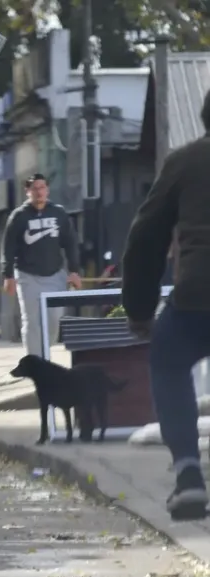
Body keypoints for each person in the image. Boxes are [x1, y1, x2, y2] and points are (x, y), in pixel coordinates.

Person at [120, 89, 210, 521]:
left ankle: (189, 475)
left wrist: (139, 309)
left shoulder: (185, 161)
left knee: (169, 360)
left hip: (197, 299)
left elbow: (145, 237)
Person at [1, 174, 82, 356]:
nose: (39, 192)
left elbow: (70, 243)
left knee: (54, 320)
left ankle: (45, 351)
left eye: (42, 188)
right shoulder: (18, 217)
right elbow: (8, 249)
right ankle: (36, 362)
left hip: (55, 274)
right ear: (27, 191)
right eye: (35, 189)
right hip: (27, 275)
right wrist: (8, 276)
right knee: (32, 321)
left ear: (47, 190)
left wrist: (74, 271)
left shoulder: (58, 213)